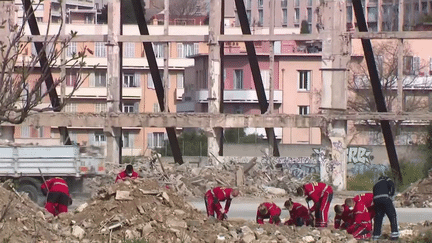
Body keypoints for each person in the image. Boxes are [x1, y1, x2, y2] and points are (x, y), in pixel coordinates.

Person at [372, 176, 399, 241]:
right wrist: (391, 196)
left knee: (378, 218)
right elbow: (392, 187)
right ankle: (394, 233)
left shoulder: (375, 185)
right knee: (392, 216)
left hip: (376, 200)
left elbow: (374, 194)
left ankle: (376, 235)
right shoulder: (387, 181)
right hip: (385, 198)